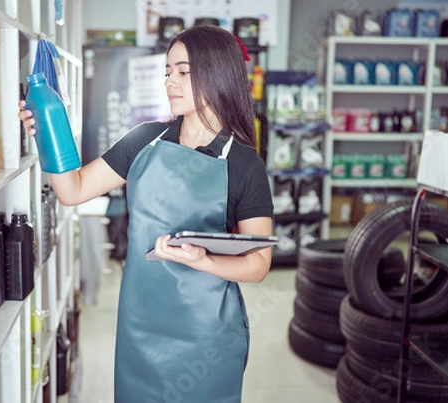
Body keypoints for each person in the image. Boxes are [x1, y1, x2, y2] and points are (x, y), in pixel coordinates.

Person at [19, 24, 273, 403]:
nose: (170, 81)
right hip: (141, 325)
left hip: (206, 335)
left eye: (183, 71)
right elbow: (72, 190)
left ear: (218, 72)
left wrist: (203, 260)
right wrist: (46, 135)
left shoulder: (243, 165)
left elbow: (259, 263)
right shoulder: (144, 141)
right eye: (168, 71)